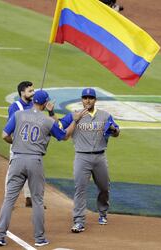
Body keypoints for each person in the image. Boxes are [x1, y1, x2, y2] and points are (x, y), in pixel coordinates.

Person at [0, 90, 87, 247]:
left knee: (9, 199)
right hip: (34, 161)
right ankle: (39, 239)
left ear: (33, 101)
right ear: (45, 103)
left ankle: (0, 235)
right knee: (37, 200)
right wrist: (75, 121)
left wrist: (16, 143)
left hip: (17, 159)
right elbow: (64, 136)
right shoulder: (47, 121)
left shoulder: (18, 115)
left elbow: (4, 135)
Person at [58, 88, 120, 233]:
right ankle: (79, 221)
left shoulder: (105, 115)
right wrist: (53, 114)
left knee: (104, 187)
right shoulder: (74, 115)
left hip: (100, 157)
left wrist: (114, 130)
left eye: (90, 98)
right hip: (81, 157)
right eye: (85, 97)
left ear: (95, 100)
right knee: (80, 189)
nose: (87, 100)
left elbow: (116, 132)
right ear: (81, 99)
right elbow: (59, 127)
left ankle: (103, 212)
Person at [6, 80, 35, 207]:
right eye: (30, 91)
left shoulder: (34, 105)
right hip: (18, 144)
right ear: (22, 92)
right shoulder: (15, 107)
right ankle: (8, 199)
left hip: (31, 145)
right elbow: (12, 127)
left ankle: (29, 198)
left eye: (33, 90)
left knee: (31, 171)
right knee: (13, 171)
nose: (33, 93)